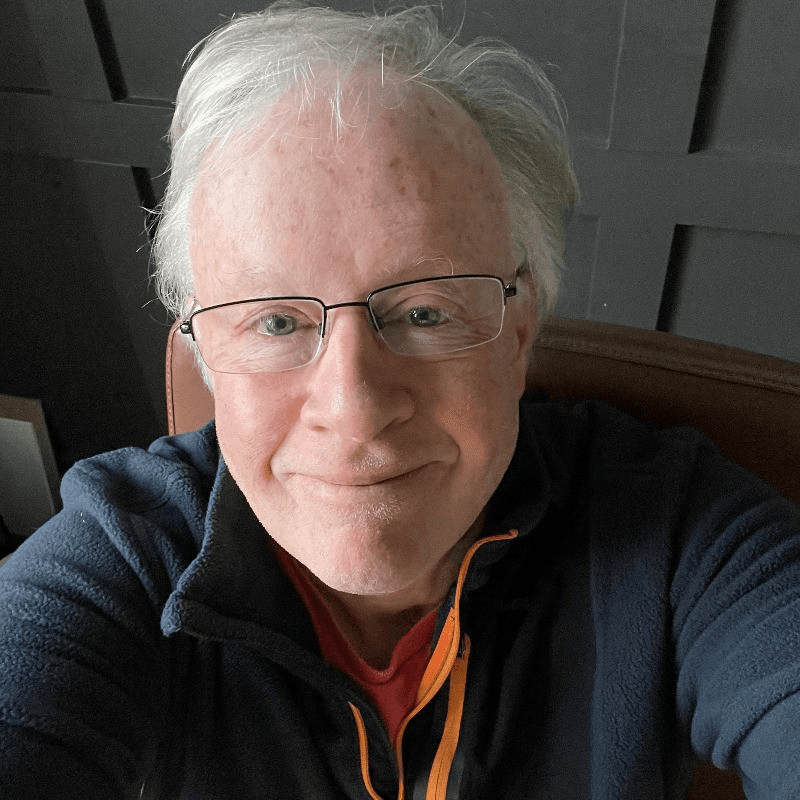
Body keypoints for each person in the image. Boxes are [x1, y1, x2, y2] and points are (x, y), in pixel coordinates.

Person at [1, 4, 799, 799]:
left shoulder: (680, 533)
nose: (354, 409)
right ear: (206, 353)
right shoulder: (122, 558)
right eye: (276, 321)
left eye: (424, 313)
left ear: (520, 331)